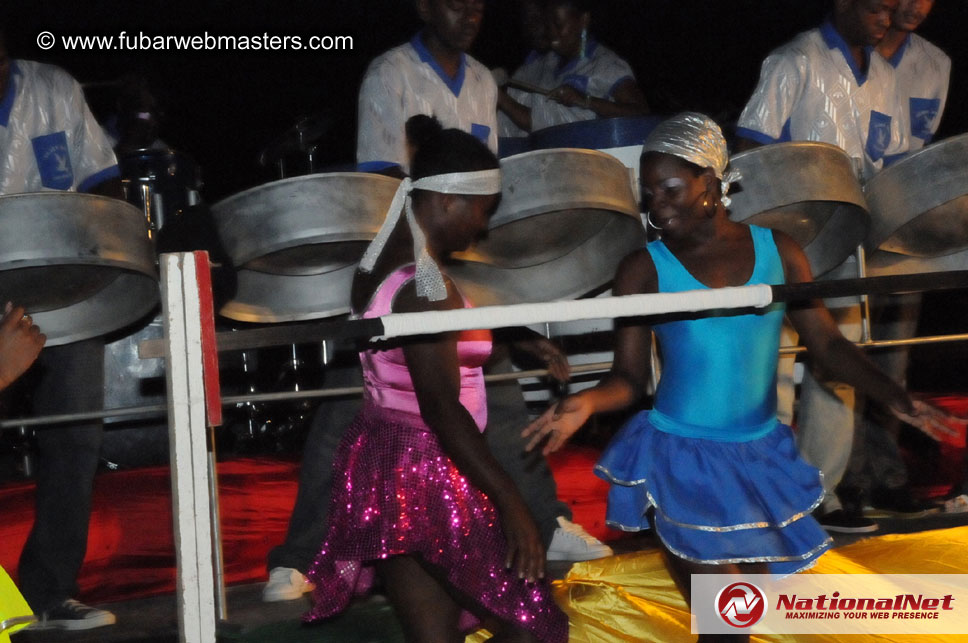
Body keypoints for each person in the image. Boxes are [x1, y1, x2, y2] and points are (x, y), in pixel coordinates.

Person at [522, 113, 955, 642]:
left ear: (711, 181)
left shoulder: (780, 252)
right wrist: (587, 403)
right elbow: (629, 380)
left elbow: (826, 345)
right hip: (680, 464)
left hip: (756, 459)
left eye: (670, 188)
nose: (656, 205)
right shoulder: (644, 268)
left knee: (745, 621)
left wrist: (895, 397)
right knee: (727, 627)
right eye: (649, 192)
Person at [264, 0, 610, 603]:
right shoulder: (390, 73)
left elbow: (479, 195)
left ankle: (545, 521)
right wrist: (403, 278)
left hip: (449, 256)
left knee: (493, 393)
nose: (471, 13)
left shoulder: (481, 80)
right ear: (424, 6)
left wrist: (511, 319)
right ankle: (299, 557)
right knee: (353, 405)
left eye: (479, 3)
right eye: (455, 1)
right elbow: (387, 186)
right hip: (406, 261)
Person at [305, 120, 568, 642]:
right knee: (529, 626)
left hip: (385, 459)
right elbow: (441, 408)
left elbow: (417, 353)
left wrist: (508, 333)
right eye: (482, 210)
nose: (483, 228)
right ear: (447, 200)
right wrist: (510, 501)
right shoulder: (426, 288)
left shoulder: (381, 259)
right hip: (431, 472)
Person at [735, 0, 907, 533]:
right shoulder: (794, 60)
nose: (889, 16)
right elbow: (750, 150)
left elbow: (893, 162)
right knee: (777, 364)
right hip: (789, 239)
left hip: (846, 238)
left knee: (843, 366)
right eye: (878, 7)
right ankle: (770, 492)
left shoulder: (884, 75)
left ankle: (819, 493)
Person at [0, 29, 121, 630]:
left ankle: (50, 591)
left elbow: (102, 179)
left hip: (63, 290)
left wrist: (114, 246)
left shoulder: (55, 89)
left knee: (75, 437)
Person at [839, 0, 951, 515]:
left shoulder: (935, 63)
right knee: (844, 360)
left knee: (894, 359)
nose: (912, 6)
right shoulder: (841, 59)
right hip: (849, 228)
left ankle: (884, 474)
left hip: (905, 232)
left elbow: (919, 157)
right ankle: (844, 478)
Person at [497, 0, 649, 135]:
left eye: (558, 25)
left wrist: (586, 101)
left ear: (583, 20)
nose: (552, 33)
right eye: (548, 25)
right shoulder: (539, 65)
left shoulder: (605, 65)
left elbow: (641, 113)